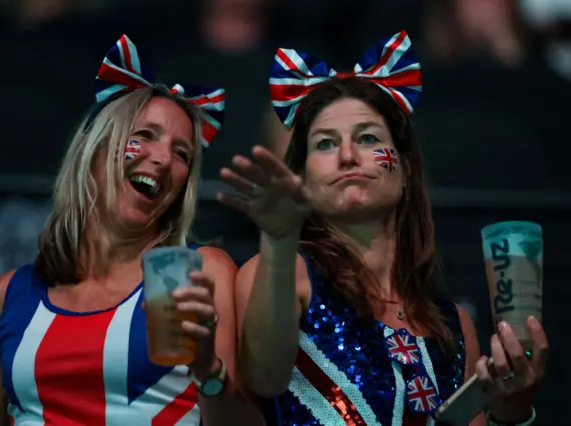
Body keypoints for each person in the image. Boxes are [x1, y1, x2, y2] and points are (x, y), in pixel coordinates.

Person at [219, 31, 549, 425]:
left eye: (368, 138)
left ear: (406, 169)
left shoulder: (454, 324)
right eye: (324, 144)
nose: (347, 155)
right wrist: (277, 239)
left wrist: (513, 411)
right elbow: (265, 377)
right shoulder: (281, 275)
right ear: (303, 180)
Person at [0, 34, 258, 426]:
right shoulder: (3, 297)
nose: (162, 159)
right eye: (144, 135)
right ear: (92, 151)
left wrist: (210, 373)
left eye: (182, 154)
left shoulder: (202, 272)